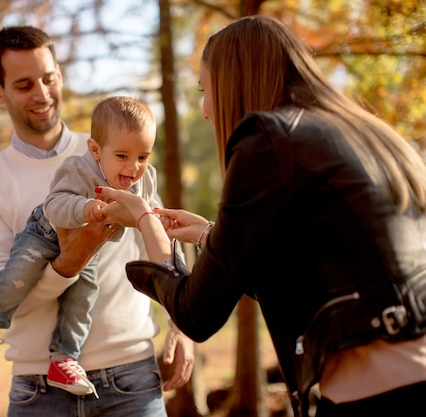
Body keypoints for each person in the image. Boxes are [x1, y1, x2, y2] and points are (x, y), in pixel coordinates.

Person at [95, 15, 426, 417]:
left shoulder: (265, 138)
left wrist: (145, 221)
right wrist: (207, 235)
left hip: (380, 393)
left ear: (234, 81)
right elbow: (314, 266)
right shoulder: (361, 131)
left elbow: (197, 313)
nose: (204, 110)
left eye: (205, 89)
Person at [0, 25, 194, 416]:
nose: (42, 94)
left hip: (133, 380)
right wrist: (70, 262)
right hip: (39, 392)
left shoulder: (120, 150)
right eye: (24, 84)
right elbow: (1, 294)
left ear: (60, 77)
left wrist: (181, 323)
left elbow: (161, 237)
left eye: (49, 78)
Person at [0, 95, 162, 398]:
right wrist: (85, 208)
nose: (134, 167)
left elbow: (148, 217)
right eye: (122, 156)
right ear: (96, 150)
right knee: (18, 275)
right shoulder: (79, 168)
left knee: (82, 299)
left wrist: (159, 221)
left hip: (89, 248)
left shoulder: (144, 180)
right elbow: (55, 203)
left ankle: (63, 358)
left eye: (143, 156)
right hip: (45, 234)